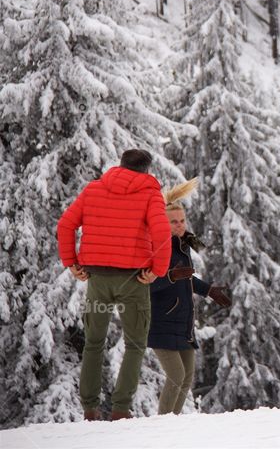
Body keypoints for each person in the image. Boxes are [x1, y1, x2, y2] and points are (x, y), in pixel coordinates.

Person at [57, 149, 171, 421]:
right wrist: (157, 271)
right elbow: (162, 233)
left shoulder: (93, 190)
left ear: (120, 165)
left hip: (97, 280)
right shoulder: (150, 194)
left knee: (93, 343)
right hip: (133, 280)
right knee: (135, 344)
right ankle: (121, 410)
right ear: (146, 169)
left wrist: (71, 263)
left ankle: (90, 410)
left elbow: (65, 225)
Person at [149, 179, 232, 415]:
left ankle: (173, 424)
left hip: (183, 321)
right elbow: (144, 285)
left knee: (187, 378)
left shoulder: (183, 245)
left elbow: (186, 277)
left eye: (182, 221)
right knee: (176, 376)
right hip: (160, 321)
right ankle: (162, 424)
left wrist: (209, 290)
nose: (179, 225)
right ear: (162, 223)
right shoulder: (156, 245)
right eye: (173, 221)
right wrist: (171, 277)